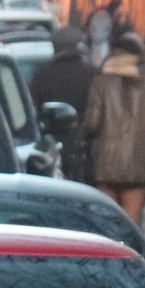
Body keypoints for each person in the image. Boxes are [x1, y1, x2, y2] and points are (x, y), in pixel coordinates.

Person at [82, 31, 145, 224]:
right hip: (138, 168)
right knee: (130, 225)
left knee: (107, 225)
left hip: (105, 167)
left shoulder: (100, 84)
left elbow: (91, 124)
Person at [30, 26, 95, 184]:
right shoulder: (91, 73)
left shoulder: (43, 74)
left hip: (51, 143)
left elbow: (33, 109)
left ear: (55, 46)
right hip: (86, 145)